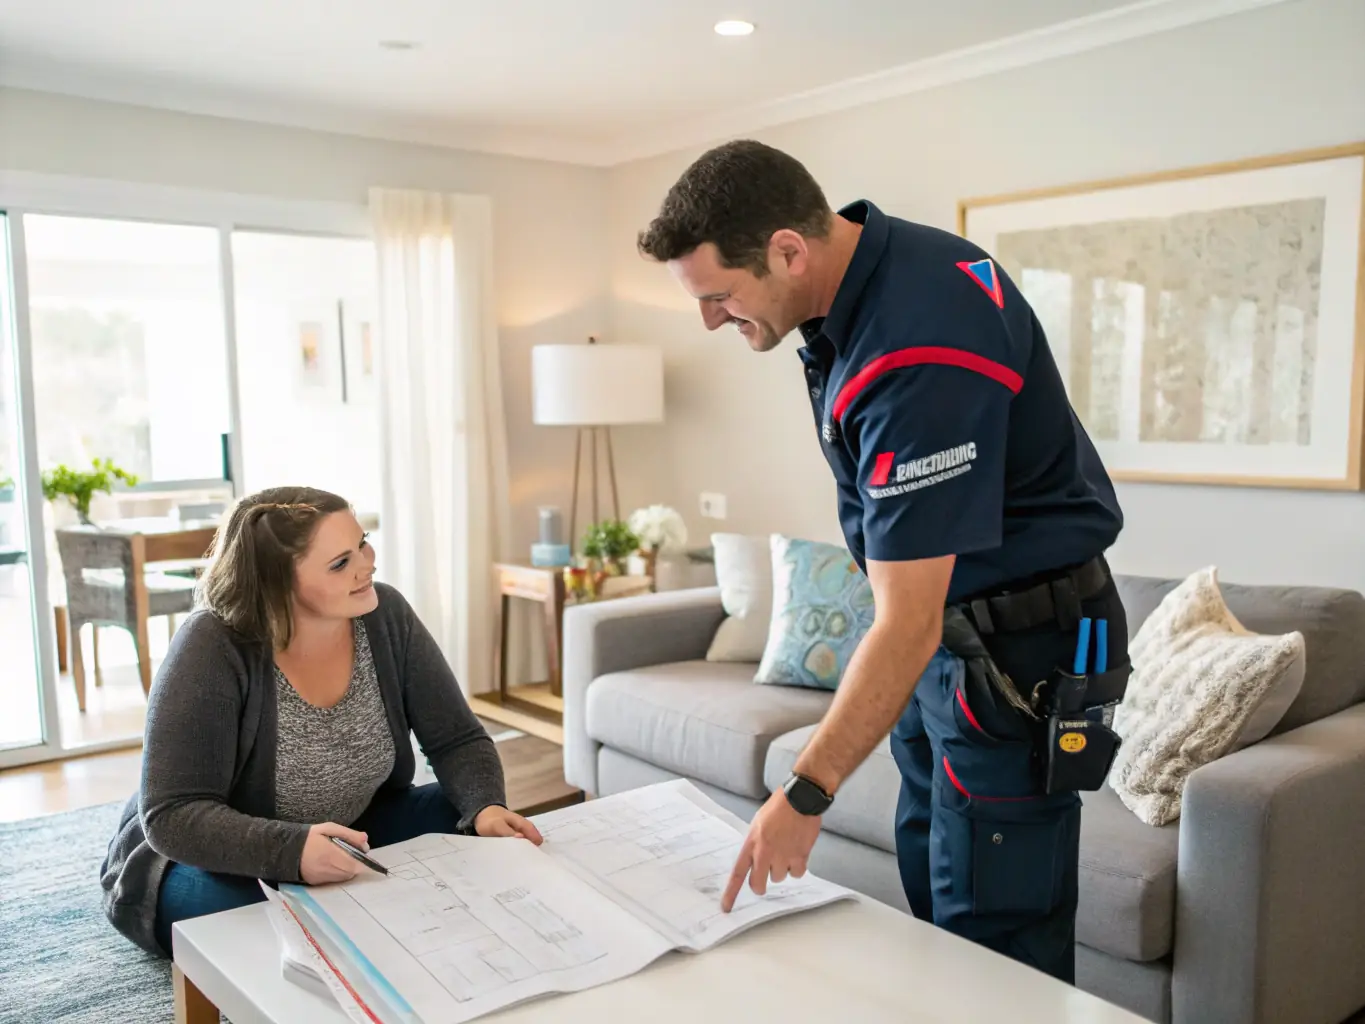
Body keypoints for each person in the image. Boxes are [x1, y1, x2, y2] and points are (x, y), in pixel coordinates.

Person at [636, 140, 1129, 984]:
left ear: (789, 250)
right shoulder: (870, 280)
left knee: (995, 943)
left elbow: (905, 616)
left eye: (719, 296)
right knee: (933, 887)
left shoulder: (917, 353)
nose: (710, 320)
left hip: (1012, 655)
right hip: (948, 640)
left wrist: (804, 794)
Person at [100, 486, 542, 957]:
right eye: (340, 563)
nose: (367, 564)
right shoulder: (210, 646)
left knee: (465, 823)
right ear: (275, 583)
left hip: (351, 827)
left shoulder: (384, 613)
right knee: (298, 920)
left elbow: (457, 738)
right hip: (209, 858)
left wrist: (486, 807)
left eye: (363, 543)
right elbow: (173, 815)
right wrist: (293, 853)